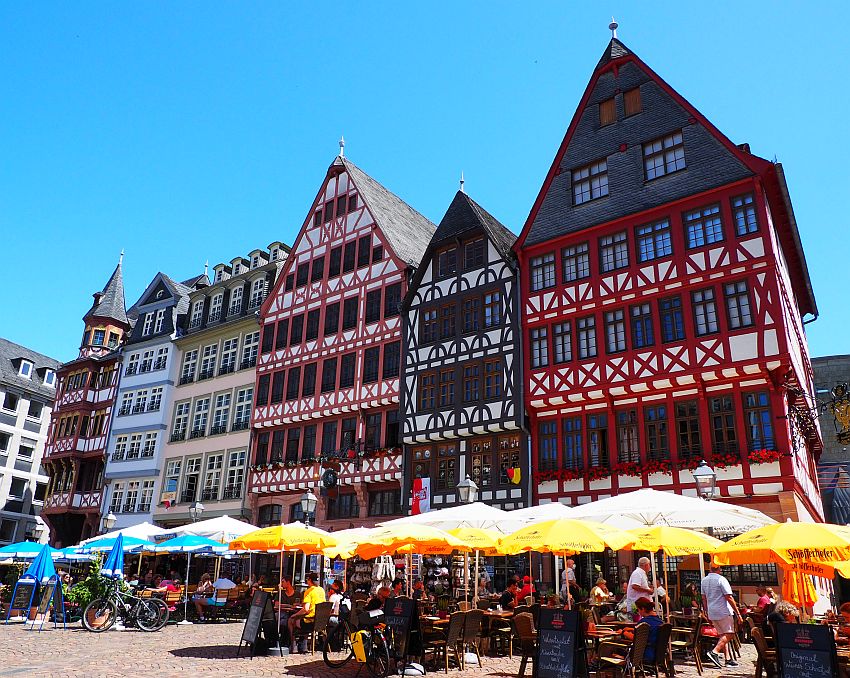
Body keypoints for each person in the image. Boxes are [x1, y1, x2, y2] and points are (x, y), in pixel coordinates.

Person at [701, 560, 743, 669]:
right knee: (730, 633)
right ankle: (714, 652)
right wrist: (738, 613)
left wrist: (706, 612)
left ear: (710, 568)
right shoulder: (721, 579)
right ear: (719, 569)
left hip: (712, 611)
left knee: (722, 635)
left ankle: (727, 659)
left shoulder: (704, 580)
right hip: (723, 610)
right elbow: (728, 597)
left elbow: (703, 598)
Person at [288, 572, 326, 654]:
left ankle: (293, 646)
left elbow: (306, 610)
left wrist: (294, 615)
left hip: (310, 623)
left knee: (291, 620)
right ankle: (304, 645)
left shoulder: (309, 591)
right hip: (320, 622)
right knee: (301, 618)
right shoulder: (321, 590)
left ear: (309, 580)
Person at [635, 597, 664, 663]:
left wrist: (623, 632)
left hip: (645, 654)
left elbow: (636, 639)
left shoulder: (644, 623)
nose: (638, 612)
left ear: (642, 609)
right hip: (658, 653)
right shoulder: (660, 621)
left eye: (638, 610)